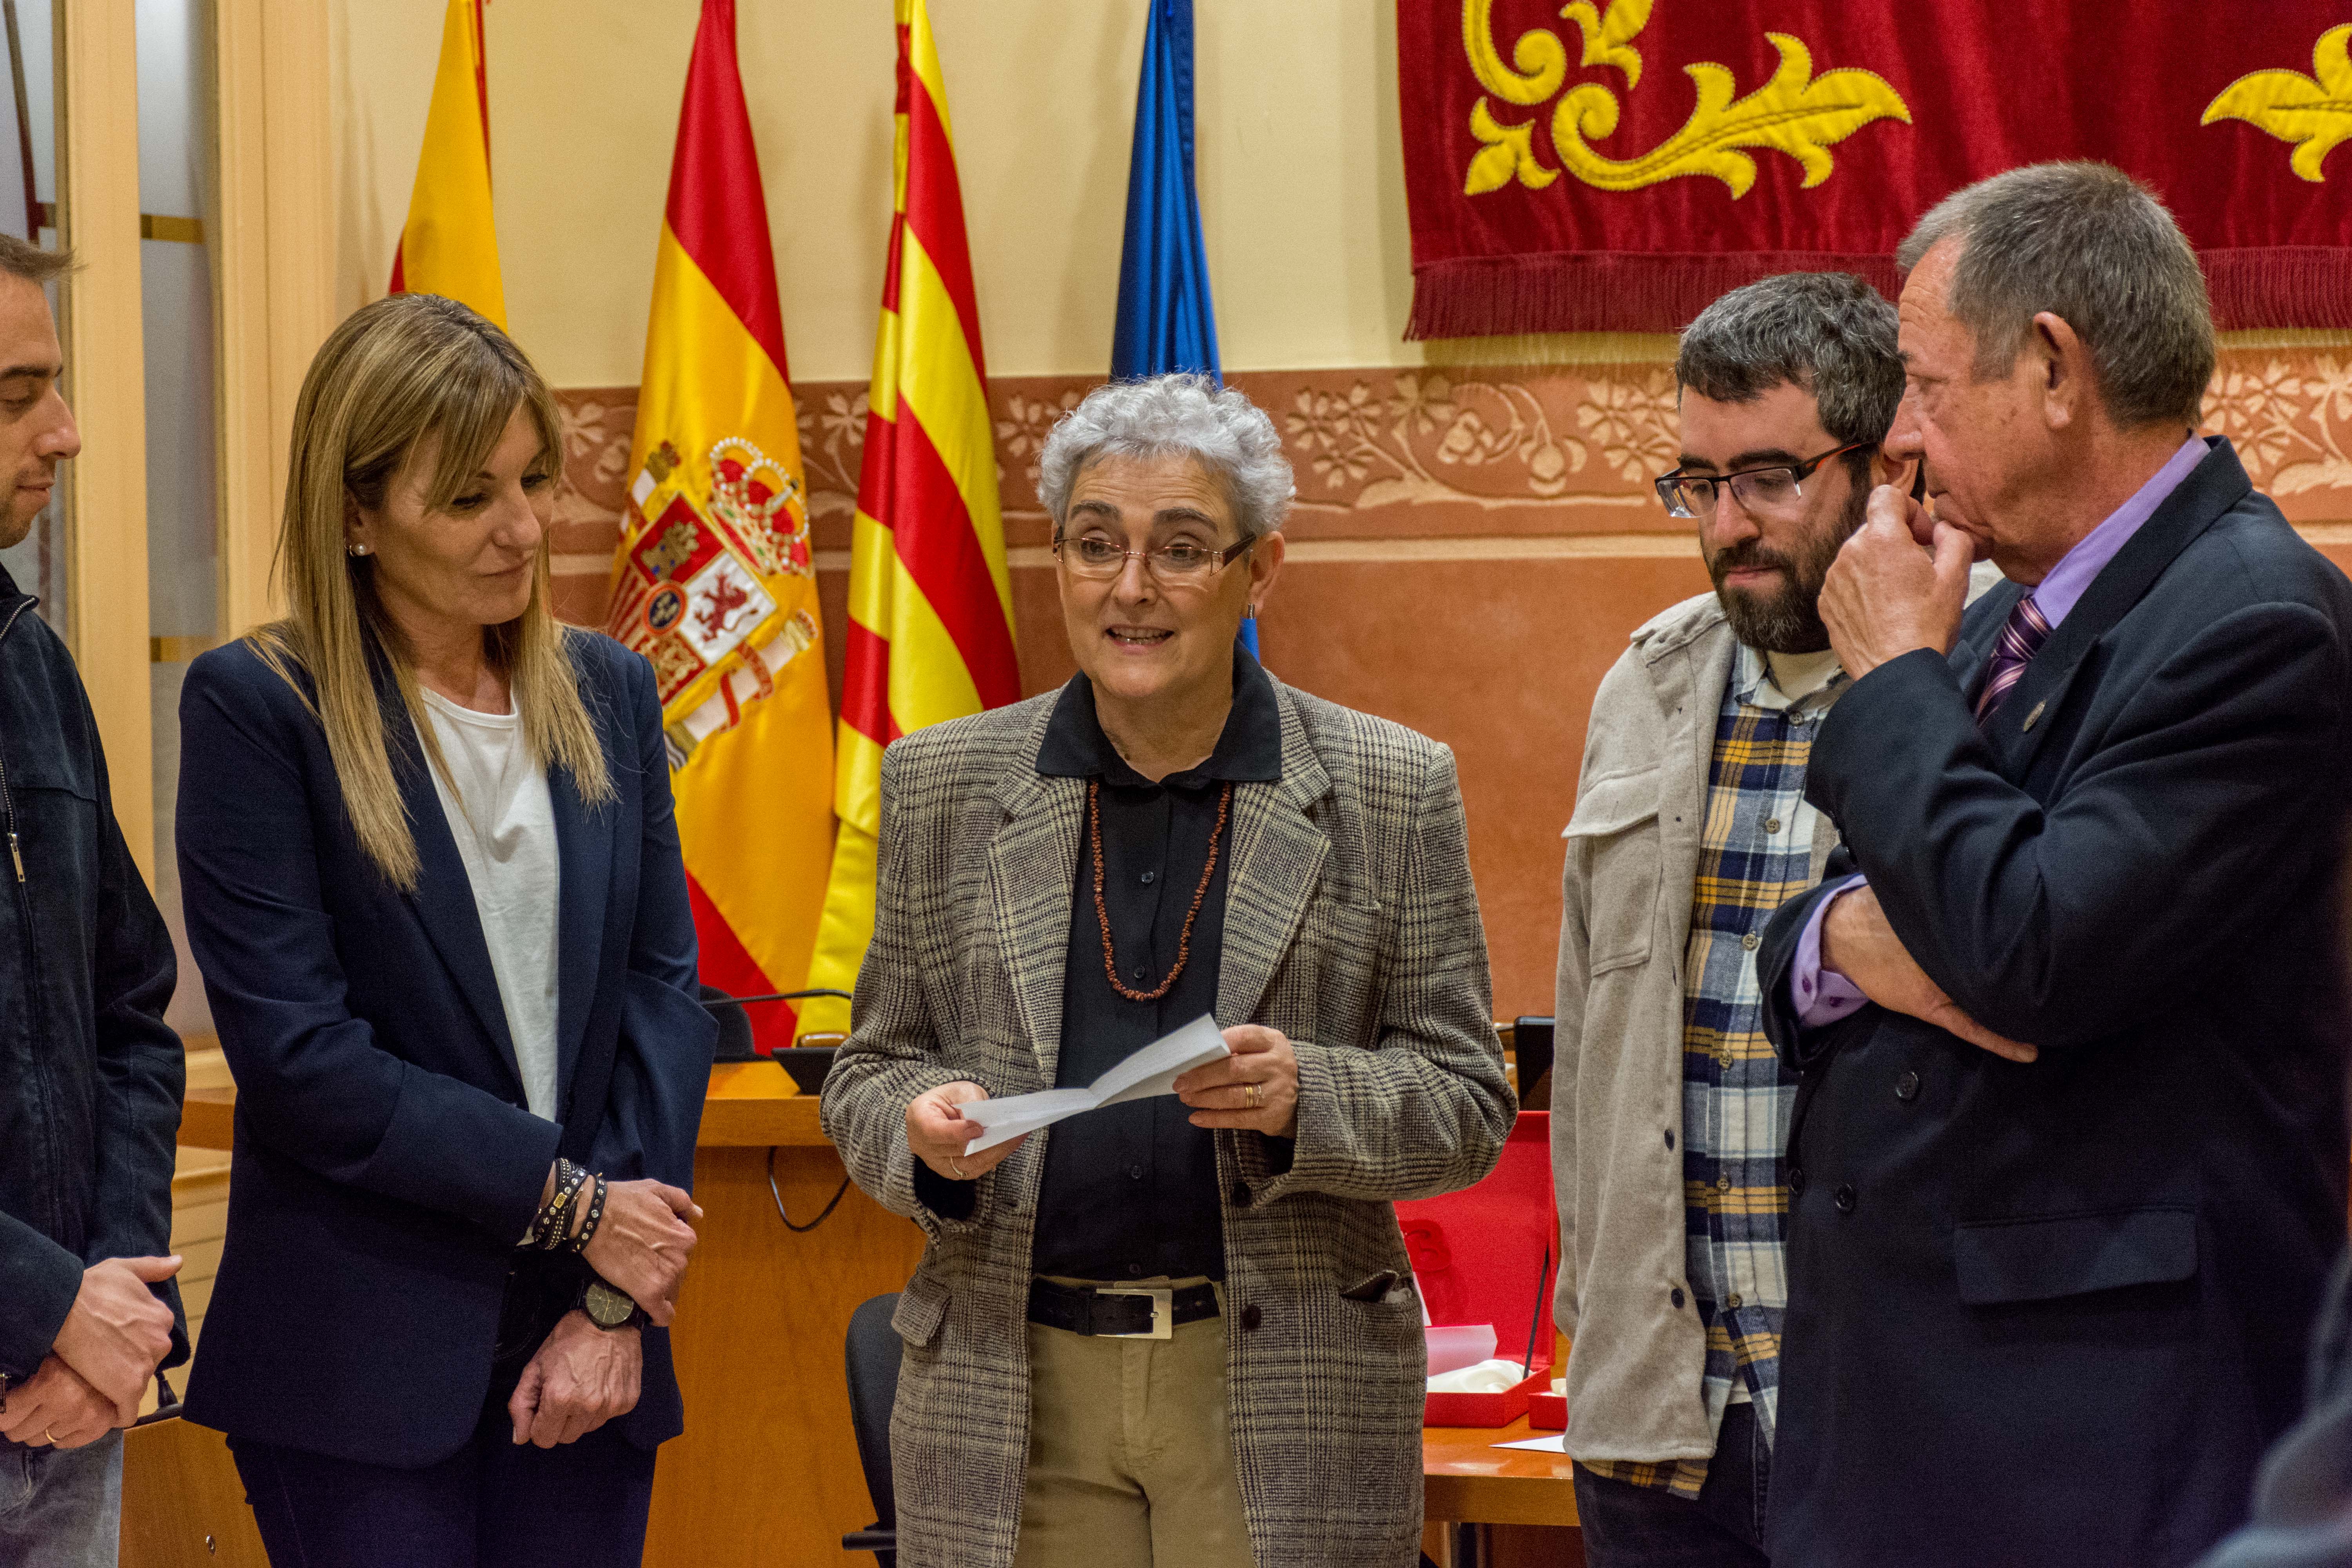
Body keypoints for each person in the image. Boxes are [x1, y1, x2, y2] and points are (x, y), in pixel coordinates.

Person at [1753, 162, 2352, 1567]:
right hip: (1899, 1411)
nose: (1898, 436)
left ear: (2053, 367)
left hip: (2088, 1443)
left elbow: (2028, 951)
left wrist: (1893, 672)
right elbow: (1819, 928)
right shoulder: (1991, 615)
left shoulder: (2258, 620)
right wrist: (1840, 943)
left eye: (1923, 384)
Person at [820, 372, 1514, 1568]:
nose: (1130, 587)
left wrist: (1313, 1096)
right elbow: (871, 1065)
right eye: (1097, 545)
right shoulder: (943, 784)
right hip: (1010, 1390)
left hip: (1280, 1387)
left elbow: (1468, 1100)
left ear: (1261, 569)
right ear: (1061, 564)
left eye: (1181, 548)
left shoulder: (1390, 786)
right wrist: (915, 1132)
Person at [174, 292, 717, 1567]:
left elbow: (661, 999)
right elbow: (305, 1061)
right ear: (355, 515)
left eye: (535, 480)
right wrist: (577, 1205)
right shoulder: (262, 707)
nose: (523, 529)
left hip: (591, 1332)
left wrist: (609, 1291)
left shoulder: (609, 688)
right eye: (469, 499)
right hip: (360, 1354)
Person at [1553, 272, 1917, 1566]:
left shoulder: (1983, 669)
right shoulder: (1647, 679)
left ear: (1883, 464)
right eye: (1696, 486)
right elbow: (1597, 1028)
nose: (1727, 525)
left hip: (1894, 1418)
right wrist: (1589, 1317)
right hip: (1666, 1421)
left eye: (1767, 475)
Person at [0, 235, 186, 1566]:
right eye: (16, 396)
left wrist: (111, 1301)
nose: (63, 435)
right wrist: (46, 1299)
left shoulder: (32, 666)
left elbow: (132, 1009)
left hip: (71, 1408)